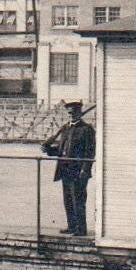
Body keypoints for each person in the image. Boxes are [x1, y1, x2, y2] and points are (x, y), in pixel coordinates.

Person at [42, 101, 95, 236]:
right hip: (65, 170)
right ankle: (72, 226)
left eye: (74, 113)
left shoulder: (86, 130)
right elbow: (61, 150)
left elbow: (90, 152)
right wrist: (48, 150)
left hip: (78, 171)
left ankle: (81, 229)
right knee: (68, 200)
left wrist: (85, 170)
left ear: (79, 113)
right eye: (69, 113)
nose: (71, 115)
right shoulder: (65, 129)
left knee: (78, 200)